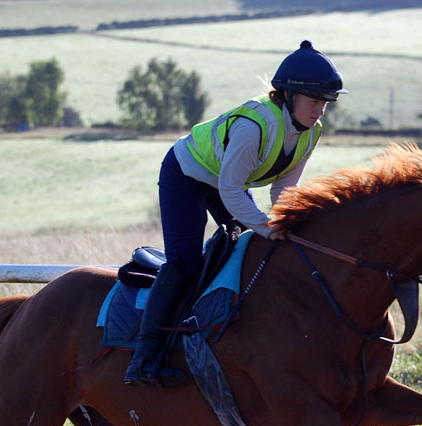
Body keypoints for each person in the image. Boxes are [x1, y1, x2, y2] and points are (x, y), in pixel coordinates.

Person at [124, 40, 348, 386]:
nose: (320, 110)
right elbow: (231, 189)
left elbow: (282, 190)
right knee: (185, 263)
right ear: (288, 95)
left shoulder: (310, 133)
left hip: (225, 179)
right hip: (186, 174)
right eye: (315, 101)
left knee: (249, 250)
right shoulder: (254, 126)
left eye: (325, 104)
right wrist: (267, 226)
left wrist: (289, 223)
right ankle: (143, 359)